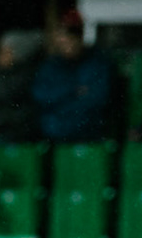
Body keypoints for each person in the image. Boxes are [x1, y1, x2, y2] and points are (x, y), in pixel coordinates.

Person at [31, 14, 112, 143]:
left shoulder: (96, 63)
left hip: (88, 133)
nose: (67, 43)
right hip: (53, 133)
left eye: (71, 38)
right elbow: (41, 96)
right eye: (63, 37)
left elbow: (96, 99)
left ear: (80, 38)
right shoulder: (50, 66)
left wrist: (62, 103)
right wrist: (73, 91)